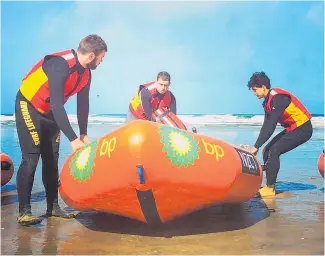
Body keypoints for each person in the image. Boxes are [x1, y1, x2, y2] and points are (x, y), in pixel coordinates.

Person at [15, 34, 107, 226]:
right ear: (92, 55)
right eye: (101, 57)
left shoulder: (86, 74)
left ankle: (53, 207)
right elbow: (58, 105)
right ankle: (24, 212)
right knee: (32, 157)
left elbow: (83, 104)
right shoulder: (61, 64)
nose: (102, 61)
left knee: (52, 158)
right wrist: (73, 139)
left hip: (50, 112)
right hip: (29, 105)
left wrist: (82, 133)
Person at [246, 71, 313, 197]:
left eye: (255, 90)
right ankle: (269, 184)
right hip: (292, 128)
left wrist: (255, 147)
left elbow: (272, 125)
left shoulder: (278, 98)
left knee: (275, 150)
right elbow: (266, 126)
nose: (254, 93)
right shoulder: (267, 103)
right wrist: (258, 146)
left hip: (303, 128)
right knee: (267, 150)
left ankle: (270, 188)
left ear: (263, 87)